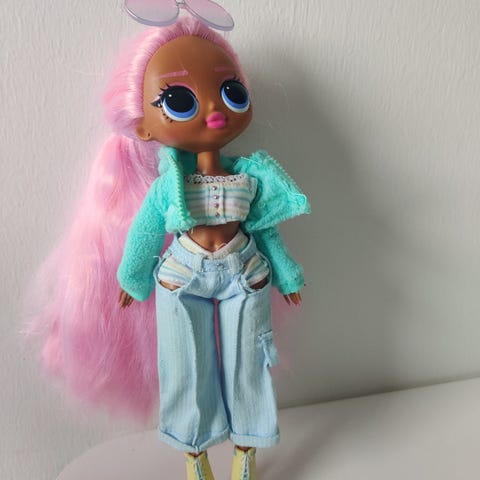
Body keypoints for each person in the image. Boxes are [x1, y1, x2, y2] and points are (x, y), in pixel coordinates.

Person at [29, 17, 310, 480]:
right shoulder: (168, 186)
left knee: (249, 361)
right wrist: (133, 276)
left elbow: (265, 231)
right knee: (186, 365)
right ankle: (194, 454)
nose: (215, 109)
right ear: (143, 126)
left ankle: (246, 448)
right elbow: (144, 232)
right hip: (183, 276)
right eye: (179, 101)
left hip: (244, 272)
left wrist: (287, 273)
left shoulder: (250, 176)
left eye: (231, 92)